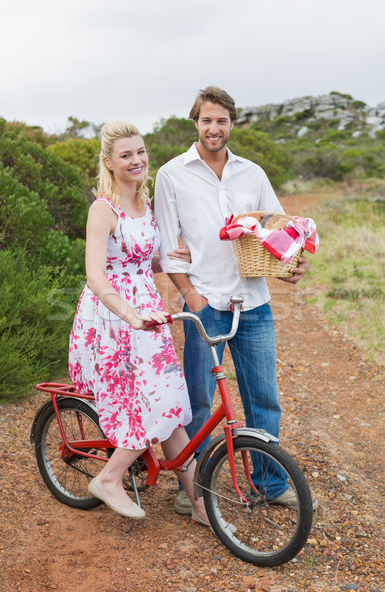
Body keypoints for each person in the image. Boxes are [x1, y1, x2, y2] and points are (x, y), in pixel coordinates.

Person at [154, 86, 317, 513]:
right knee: (199, 399)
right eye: (206, 120)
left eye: (221, 121)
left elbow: (284, 231)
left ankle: (269, 481)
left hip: (254, 304)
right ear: (196, 122)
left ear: (231, 124)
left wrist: (296, 264)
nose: (214, 128)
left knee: (263, 397)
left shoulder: (253, 173)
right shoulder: (172, 175)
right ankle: (194, 489)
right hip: (205, 303)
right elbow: (168, 246)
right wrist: (190, 294)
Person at [68, 120, 210, 525]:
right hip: (114, 319)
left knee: (171, 403)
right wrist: (131, 316)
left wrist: (195, 261)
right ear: (109, 163)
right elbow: (96, 275)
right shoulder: (103, 208)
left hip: (149, 314)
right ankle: (109, 479)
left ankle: (200, 505)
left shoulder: (144, 205)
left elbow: (144, 263)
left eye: (140, 152)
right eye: (126, 155)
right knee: (153, 403)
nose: (136, 160)